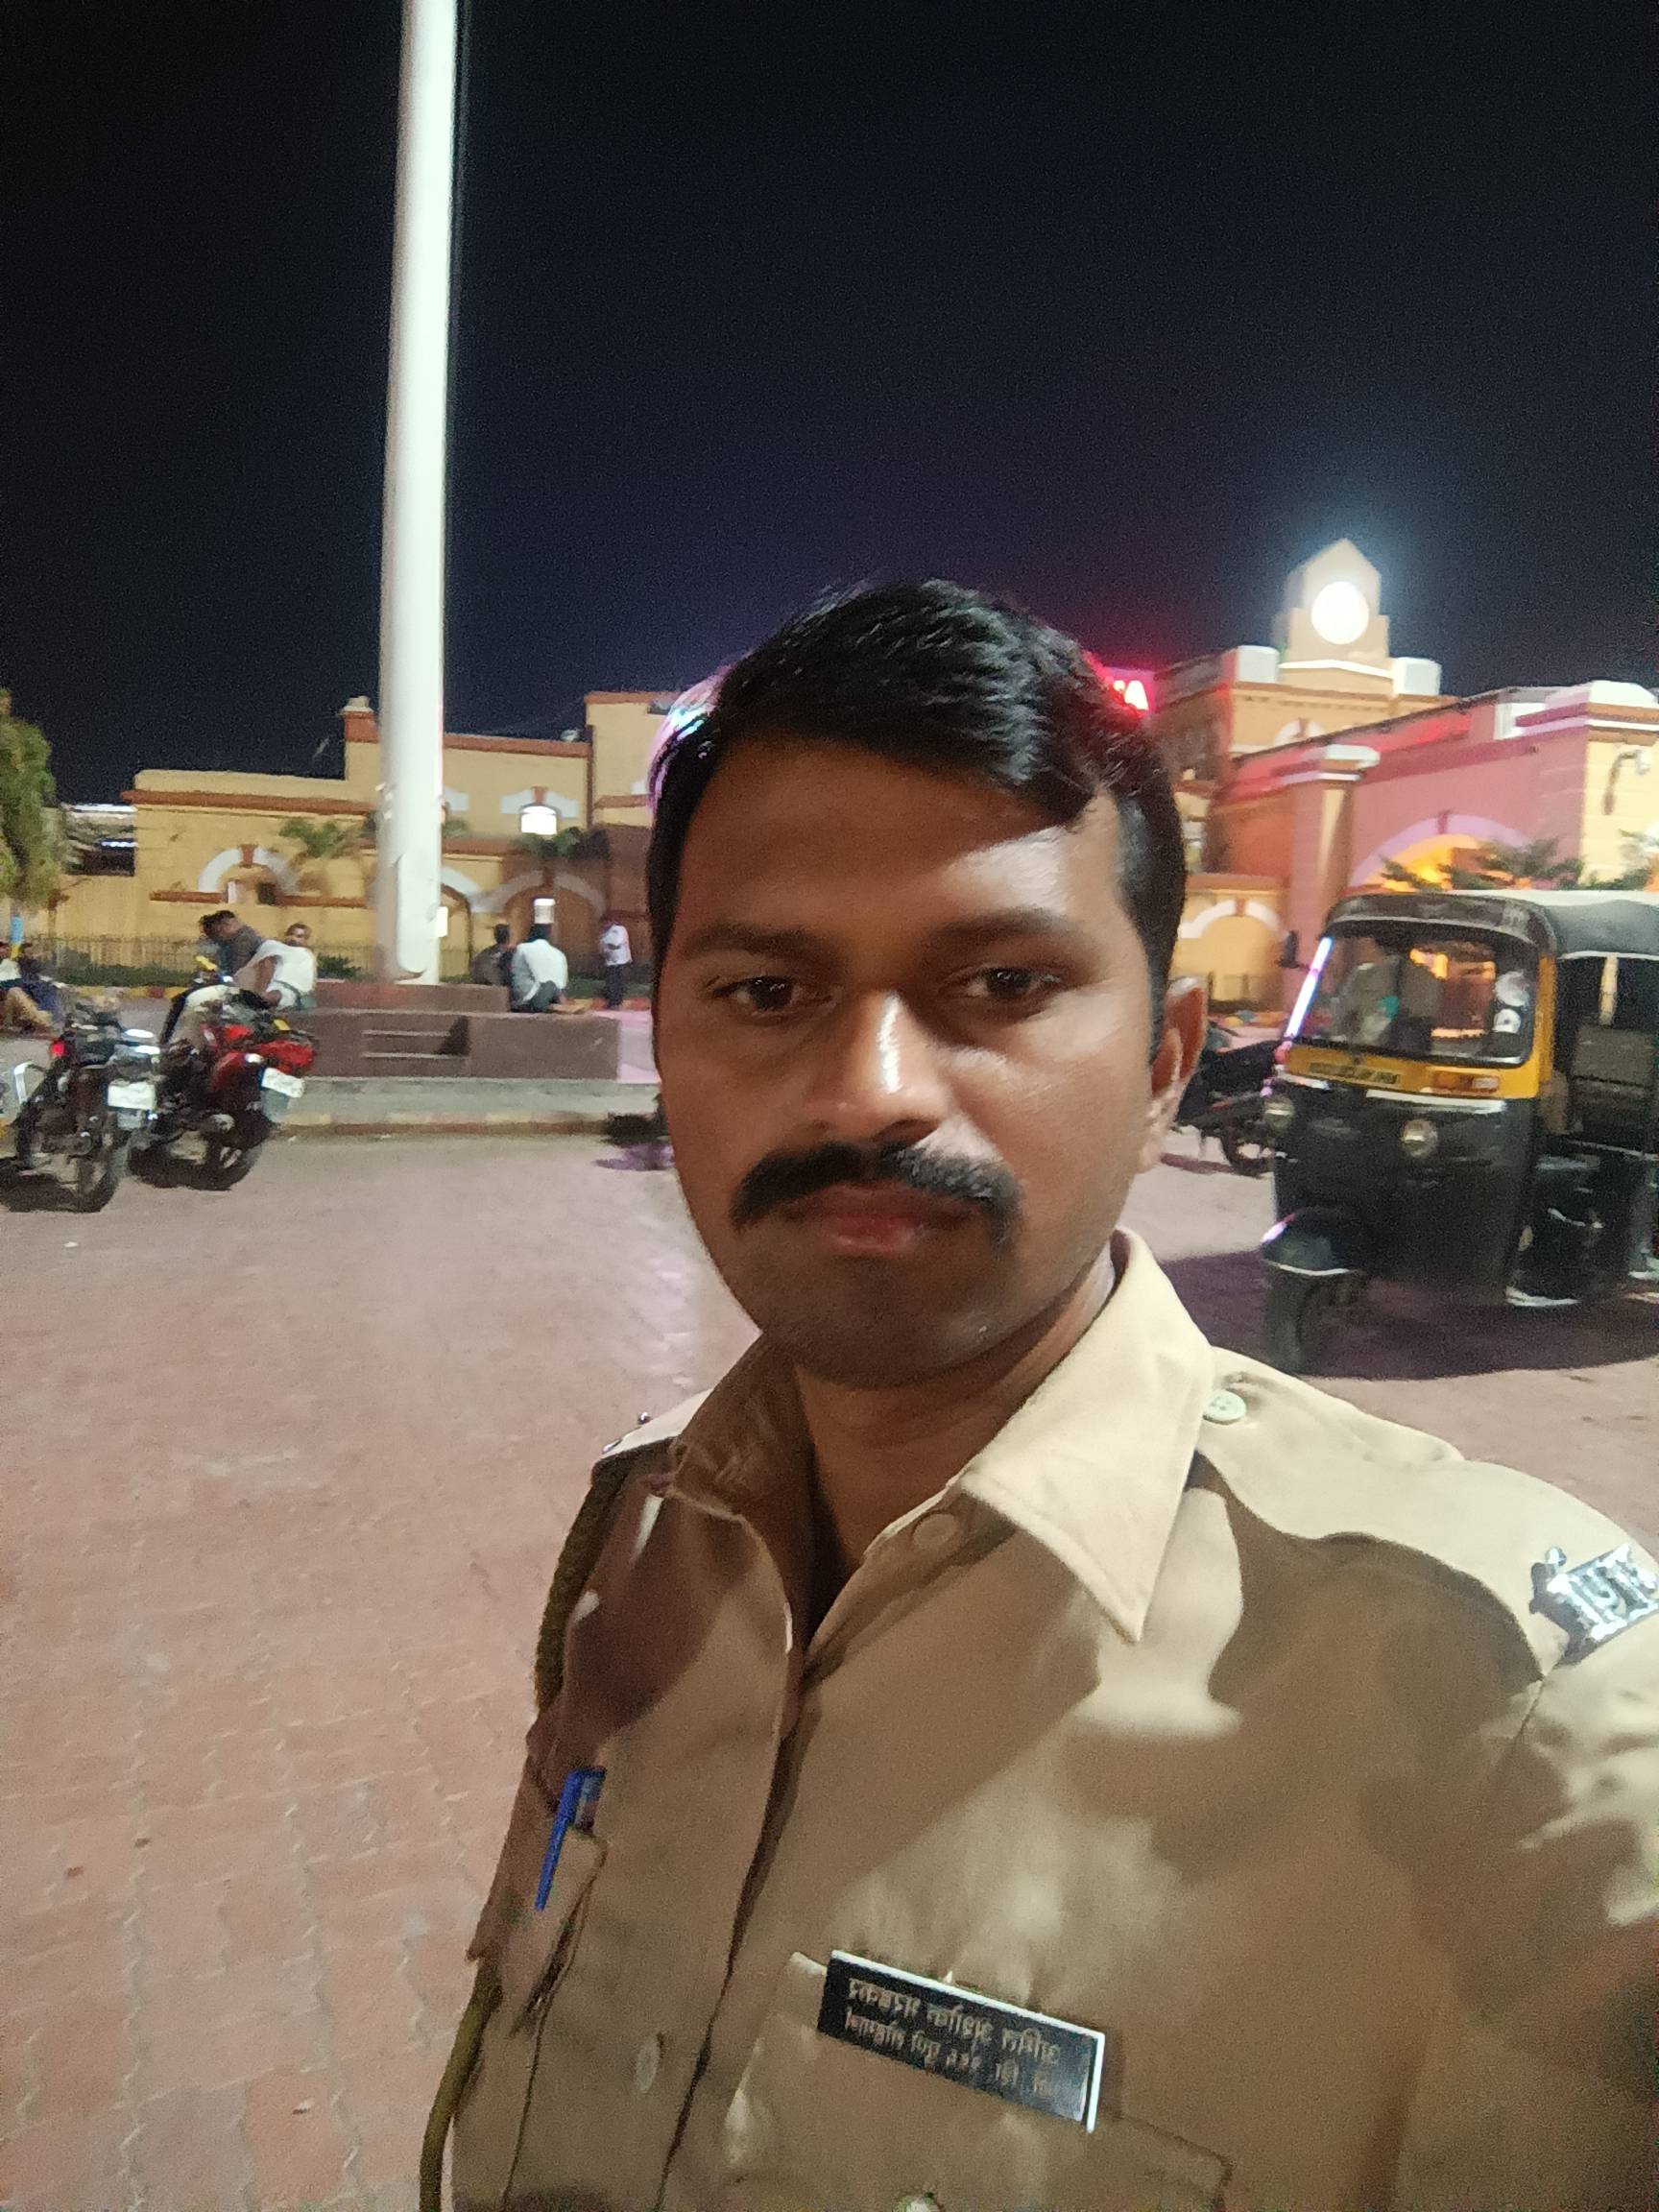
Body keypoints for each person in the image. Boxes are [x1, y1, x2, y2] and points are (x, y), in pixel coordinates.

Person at [437, 584, 1658, 2211]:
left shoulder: (1519, 1729)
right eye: (765, 993)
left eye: (1003, 982)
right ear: (664, 1041)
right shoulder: (648, 1544)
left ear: (1164, 1063)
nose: (871, 1089)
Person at [158, 908, 265, 1046]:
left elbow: (237, 970)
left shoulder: (243, 941)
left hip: (241, 988)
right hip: (240, 985)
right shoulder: (242, 938)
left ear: (226, 925)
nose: (219, 937)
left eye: (219, 932)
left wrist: (217, 978)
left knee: (186, 1000)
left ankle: (170, 1041)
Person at [507, 922, 568, 1011]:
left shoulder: (522, 948)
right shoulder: (560, 954)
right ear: (549, 936)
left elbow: (514, 975)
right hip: (557, 998)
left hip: (530, 1001)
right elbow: (563, 983)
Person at [0, 942, 56, 1034]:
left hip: (14, 1000)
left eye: (6, 948)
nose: (6, 950)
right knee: (15, 991)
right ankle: (43, 1021)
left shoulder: (14, 964)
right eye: (3, 948)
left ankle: (43, 1020)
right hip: (7, 1000)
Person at [598, 913, 633, 1008]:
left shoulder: (618, 929)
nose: (603, 925)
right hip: (611, 961)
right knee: (612, 982)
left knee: (615, 982)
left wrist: (605, 943)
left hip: (619, 961)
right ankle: (614, 1001)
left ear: (610, 921)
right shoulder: (607, 931)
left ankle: (615, 1002)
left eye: (605, 923)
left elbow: (616, 943)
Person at [470, 922, 513, 988]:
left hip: (483, 988)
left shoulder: (484, 954)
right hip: (501, 989)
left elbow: (474, 972)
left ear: (495, 937)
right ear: (508, 938)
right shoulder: (510, 955)